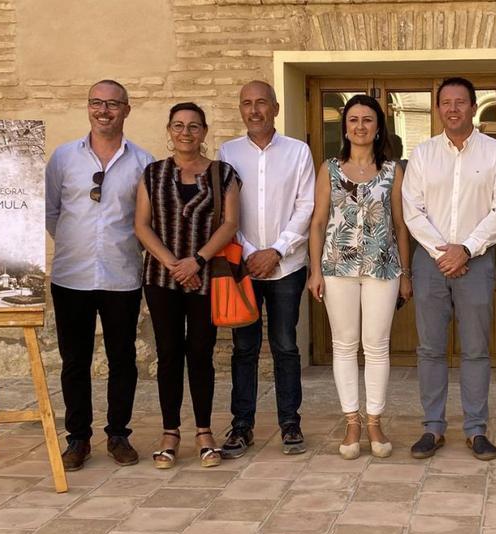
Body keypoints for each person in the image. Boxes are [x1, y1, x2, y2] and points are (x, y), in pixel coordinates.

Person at [402, 77, 496, 461]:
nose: (453, 109)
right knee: (431, 349)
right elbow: (411, 211)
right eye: (446, 103)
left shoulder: (495, 153)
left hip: (477, 261)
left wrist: (465, 249)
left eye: (460, 102)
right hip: (431, 261)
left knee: (476, 349)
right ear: (438, 109)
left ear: (472, 106)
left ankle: (475, 429)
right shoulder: (422, 154)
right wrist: (443, 253)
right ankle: (432, 428)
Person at [45, 80, 154, 471]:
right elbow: (52, 212)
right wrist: (80, 243)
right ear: (88, 107)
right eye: (96, 103)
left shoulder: (144, 162)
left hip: (121, 274)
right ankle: (77, 439)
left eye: (112, 104)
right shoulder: (63, 158)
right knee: (74, 360)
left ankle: (118, 434)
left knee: (122, 358)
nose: (103, 110)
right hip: (71, 275)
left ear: (126, 109)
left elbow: (148, 219)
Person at [135, 102, 241, 469]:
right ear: (169, 130)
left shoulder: (222, 173)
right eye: (178, 126)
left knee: (200, 354)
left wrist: (196, 261)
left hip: (206, 278)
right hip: (161, 279)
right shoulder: (153, 174)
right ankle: (169, 433)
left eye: (194, 126)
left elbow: (229, 223)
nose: (186, 133)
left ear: (205, 132)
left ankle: (204, 431)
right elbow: (142, 225)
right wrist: (173, 264)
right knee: (168, 355)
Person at [306, 95, 413, 460]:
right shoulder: (330, 169)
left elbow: (400, 224)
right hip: (337, 266)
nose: (360, 126)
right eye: (353, 120)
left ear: (379, 126)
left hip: (383, 267)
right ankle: (351, 421)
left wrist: (406, 273)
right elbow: (318, 222)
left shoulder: (393, 171)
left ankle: (374, 421)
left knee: (377, 346)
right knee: (344, 345)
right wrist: (315, 271)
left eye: (368, 120)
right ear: (345, 126)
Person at [218, 81, 316, 457]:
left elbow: (305, 206)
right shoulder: (227, 152)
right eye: (247, 103)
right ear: (240, 109)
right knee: (243, 348)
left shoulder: (297, 152)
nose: (254, 110)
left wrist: (275, 250)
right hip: (242, 266)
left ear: (275, 108)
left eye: (261, 103)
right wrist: (248, 251)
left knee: (286, 346)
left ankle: (290, 423)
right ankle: (242, 426)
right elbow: (225, 211)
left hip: (286, 266)